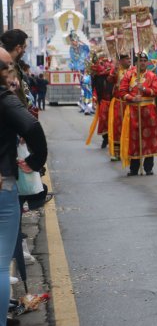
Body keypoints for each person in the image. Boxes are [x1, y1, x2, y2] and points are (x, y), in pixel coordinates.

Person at [0, 55, 48, 326]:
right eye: (7, 68)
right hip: (2, 182)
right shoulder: (5, 100)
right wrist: (34, 162)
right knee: (0, 264)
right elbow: (31, 126)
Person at [119, 52, 157, 176]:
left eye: (144, 60)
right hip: (133, 111)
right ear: (136, 62)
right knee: (134, 139)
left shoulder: (152, 76)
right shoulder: (128, 75)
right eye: (140, 60)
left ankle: (148, 167)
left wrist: (144, 89)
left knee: (149, 139)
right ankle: (134, 168)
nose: (142, 62)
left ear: (147, 62)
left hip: (149, 112)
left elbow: (156, 91)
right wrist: (132, 98)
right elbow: (122, 91)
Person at [107, 53, 133, 161]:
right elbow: (109, 80)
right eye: (127, 59)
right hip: (118, 103)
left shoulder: (134, 71)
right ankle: (117, 153)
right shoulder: (116, 70)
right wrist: (114, 72)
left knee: (130, 128)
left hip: (129, 103)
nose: (129, 60)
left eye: (129, 58)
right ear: (121, 60)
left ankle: (129, 151)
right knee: (117, 128)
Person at [87, 55, 113, 149]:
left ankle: (113, 140)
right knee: (103, 120)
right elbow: (94, 88)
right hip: (103, 101)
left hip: (114, 101)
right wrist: (95, 97)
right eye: (101, 62)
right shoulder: (97, 77)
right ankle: (105, 138)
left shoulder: (112, 74)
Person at [0, 29, 30, 107]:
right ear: (18, 48)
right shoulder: (7, 70)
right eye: (24, 47)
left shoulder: (16, 67)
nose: (24, 51)